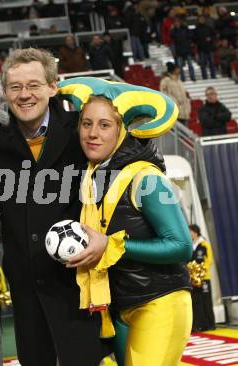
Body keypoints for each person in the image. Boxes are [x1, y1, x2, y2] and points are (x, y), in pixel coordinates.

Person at [0, 48, 110, 366]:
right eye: (15, 87)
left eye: (34, 85)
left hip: (80, 287)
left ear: (53, 87)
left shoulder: (83, 131)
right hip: (26, 293)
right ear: (5, 93)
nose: (25, 95)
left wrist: (108, 239)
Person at [59, 79, 193, 366]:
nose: (92, 134)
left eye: (104, 125)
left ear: (121, 132)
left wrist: (112, 245)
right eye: (86, 123)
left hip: (160, 302)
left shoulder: (147, 179)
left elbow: (182, 246)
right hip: (117, 307)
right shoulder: (90, 178)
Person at [188, 224, 216, 332]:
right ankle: (197, 325)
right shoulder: (190, 246)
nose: (189, 234)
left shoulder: (204, 244)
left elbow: (209, 260)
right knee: (196, 301)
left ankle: (210, 324)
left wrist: (201, 273)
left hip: (204, 278)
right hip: (192, 279)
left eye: (190, 232)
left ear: (195, 232)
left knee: (206, 300)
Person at [171, 15, 195, 82]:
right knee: (180, 66)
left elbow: (190, 35)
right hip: (179, 51)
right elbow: (171, 36)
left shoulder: (185, 28)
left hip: (187, 49)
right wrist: (173, 29)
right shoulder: (174, 31)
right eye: (176, 22)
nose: (177, 23)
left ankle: (193, 77)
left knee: (190, 65)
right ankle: (183, 79)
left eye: (178, 22)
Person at [193, 15, 217, 80]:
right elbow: (194, 39)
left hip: (209, 48)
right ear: (198, 20)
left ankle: (213, 76)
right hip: (201, 49)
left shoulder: (209, 27)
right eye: (200, 19)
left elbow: (214, 35)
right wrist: (200, 43)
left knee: (212, 62)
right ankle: (204, 77)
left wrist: (211, 39)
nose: (202, 20)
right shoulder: (196, 29)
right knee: (203, 63)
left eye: (203, 19)